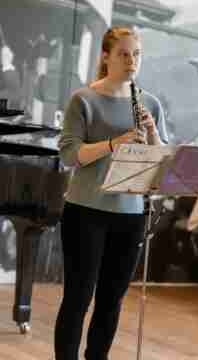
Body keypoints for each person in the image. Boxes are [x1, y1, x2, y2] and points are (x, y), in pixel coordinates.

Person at [55, 27, 168, 360]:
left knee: (111, 300)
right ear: (106, 57)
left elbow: (160, 158)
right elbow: (69, 155)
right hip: (86, 210)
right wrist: (114, 144)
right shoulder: (83, 100)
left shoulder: (149, 103)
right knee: (78, 297)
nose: (132, 61)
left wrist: (152, 134)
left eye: (137, 54)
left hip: (130, 215)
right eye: (124, 54)